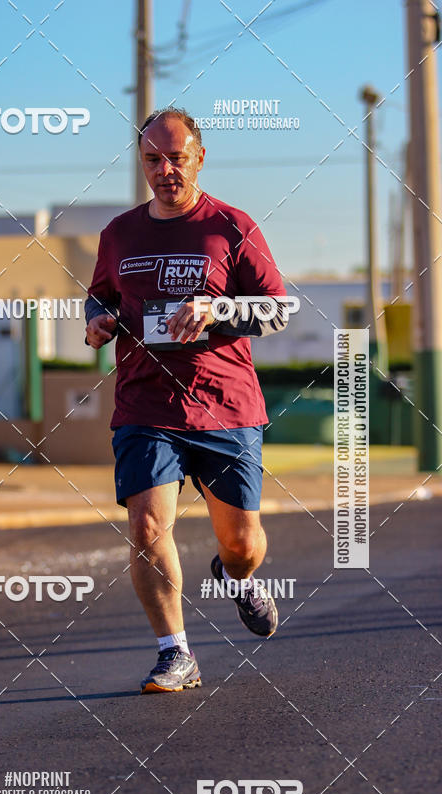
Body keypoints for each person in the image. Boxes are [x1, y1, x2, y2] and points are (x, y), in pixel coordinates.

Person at [85, 106, 289, 693]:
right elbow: (99, 300)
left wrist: (215, 309)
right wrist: (97, 322)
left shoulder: (232, 226)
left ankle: (236, 575)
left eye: (177, 158)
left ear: (199, 157)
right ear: (142, 162)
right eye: (154, 159)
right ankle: (175, 653)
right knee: (148, 527)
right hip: (145, 407)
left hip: (224, 404)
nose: (166, 169)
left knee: (243, 543)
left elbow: (277, 308)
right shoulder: (119, 234)